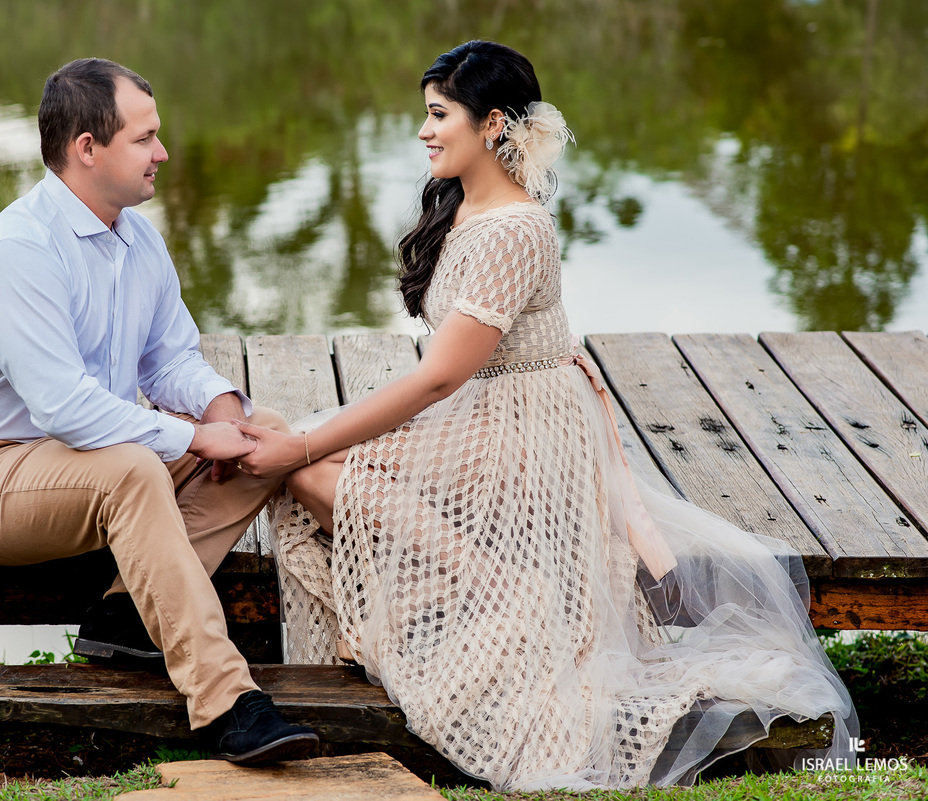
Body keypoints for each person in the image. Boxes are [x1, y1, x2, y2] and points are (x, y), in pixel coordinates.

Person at [234, 41, 856, 790]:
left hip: (521, 434)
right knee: (288, 438)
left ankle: (499, 590)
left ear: (493, 122)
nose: (425, 132)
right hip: (480, 412)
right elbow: (447, 379)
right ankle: (468, 584)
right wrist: (300, 437)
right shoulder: (462, 203)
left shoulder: (516, 229)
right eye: (424, 116)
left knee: (304, 458)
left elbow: (438, 378)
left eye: (439, 116)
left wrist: (302, 443)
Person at [0, 57, 318, 764]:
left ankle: (126, 611)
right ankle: (227, 701)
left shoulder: (137, 236)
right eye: (145, 138)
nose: (163, 153)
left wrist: (225, 412)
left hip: (85, 464)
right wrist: (197, 436)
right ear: (87, 148)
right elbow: (67, 408)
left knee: (268, 437)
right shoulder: (21, 250)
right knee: (135, 468)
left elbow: (169, 362)